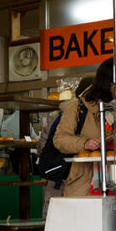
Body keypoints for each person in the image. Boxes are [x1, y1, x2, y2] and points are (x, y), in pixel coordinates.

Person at [53, 57, 114, 197]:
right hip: (83, 182)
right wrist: (85, 143)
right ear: (108, 83)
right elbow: (60, 139)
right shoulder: (77, 107)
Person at [39, 75, 94, 216]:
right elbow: (55, 143)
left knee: (56, 217)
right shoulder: (73, 113)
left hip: (61, 174)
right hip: (63, 174)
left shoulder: (56, 116)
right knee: (59, 217)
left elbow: (42, 146)